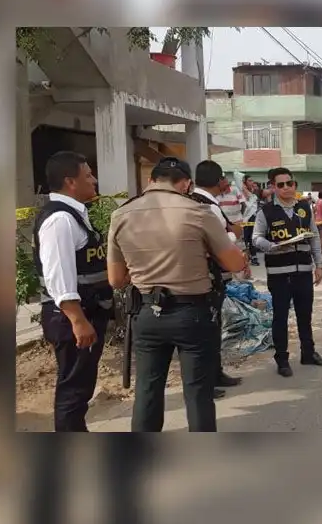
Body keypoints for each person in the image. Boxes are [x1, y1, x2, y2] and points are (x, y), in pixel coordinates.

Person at [107, 157, 246, 432]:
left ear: (150, 181)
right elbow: (234, 264)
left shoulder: (121, 214)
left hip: (146, 312)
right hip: (192, 313)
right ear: (185, 183)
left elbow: (115, 279)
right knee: (198, 393)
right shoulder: (199, 212)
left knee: (147, 390)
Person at [28, 151, 115, 431]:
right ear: (70, 181)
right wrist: (78, 320)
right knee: (73, 390)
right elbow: (58, 277)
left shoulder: (74, 214)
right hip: (72, 319)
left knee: (80, 387)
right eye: (88, 175)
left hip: (85, 313)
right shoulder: (60, 220)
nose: (94, 180)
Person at [252, 167, 322, 377]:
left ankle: (308, 353)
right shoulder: (265, 212)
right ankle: (282, 359)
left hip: (303, 271)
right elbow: (256, 238)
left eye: (290, 183)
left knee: (305, 315)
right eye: (281, 184)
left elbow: (314, 236)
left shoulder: (304, 207)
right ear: (273, 187)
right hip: (279, 274)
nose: (287, 188)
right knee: (281, 317)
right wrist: (271, 246)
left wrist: (319, 265)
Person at [191, 160, 248, 398]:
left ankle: (215, 373)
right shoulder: (208, 207)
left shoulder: (196, 201)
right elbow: (218, 243)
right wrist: (233, 236)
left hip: (201, 275)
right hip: (210, 275)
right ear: (219, 180)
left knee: (211, 327)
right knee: (208, 329)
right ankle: (207, 380)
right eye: (224, 178)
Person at [240, 175, 261, 266]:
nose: (252, 182)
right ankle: (243, 258)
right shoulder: (241, 192)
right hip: (244, 219)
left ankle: (254, 257)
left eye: (252, 180)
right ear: (245, 182)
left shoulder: (254, 192)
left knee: (252, 238)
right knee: (244, 239)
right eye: (249, 180)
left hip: (253, 218)